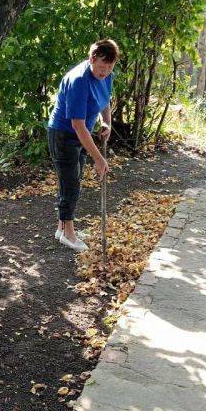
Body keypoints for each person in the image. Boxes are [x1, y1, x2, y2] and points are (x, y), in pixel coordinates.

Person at [47, 39, 119, 252]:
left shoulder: (106, 76)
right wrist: (99, 158)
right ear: (91, 59)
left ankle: (62, 227)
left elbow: (105, 100)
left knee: (72, 179)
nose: (104, 72)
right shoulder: (79, 80)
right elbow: (77, 125)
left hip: (81, 134)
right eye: (101, 67)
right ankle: (68, 234)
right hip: (64, 134)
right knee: (70, 183)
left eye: (109, 67)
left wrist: (107, 122)